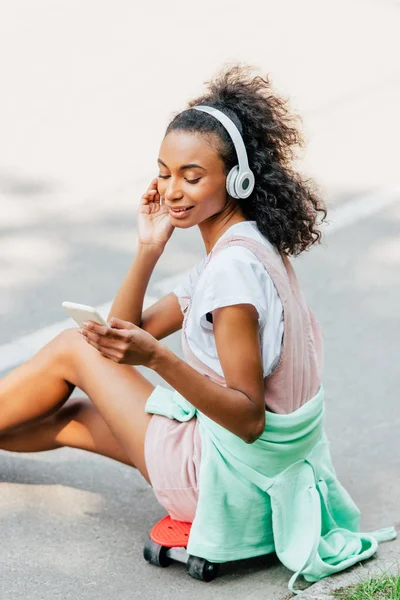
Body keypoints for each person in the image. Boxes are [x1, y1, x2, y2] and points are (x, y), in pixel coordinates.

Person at [0, 64, 395, 594]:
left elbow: (248, 418)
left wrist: (158, 359)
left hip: (222, 472)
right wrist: (149, 247)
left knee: (74, 347)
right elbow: (122, 333)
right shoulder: (246, 248)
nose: (173, 190)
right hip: (254, 478)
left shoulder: (231, 275)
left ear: (238, 180)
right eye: (164, 173)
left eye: (192, 176)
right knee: (68, 419)